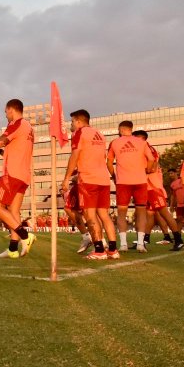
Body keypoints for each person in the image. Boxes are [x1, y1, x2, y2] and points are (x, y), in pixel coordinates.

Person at [63, 109, 119, 260]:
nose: (71, 124)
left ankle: (99, 250)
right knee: (104, 215)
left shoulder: (79, 133)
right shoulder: (99, 134)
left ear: (79, 121)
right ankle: (113, 250)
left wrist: (67, 178)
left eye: (72, 121)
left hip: (88, 179)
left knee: (90, 215)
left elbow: (75, 155)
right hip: (103, 179)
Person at [0, 98, 36, 259]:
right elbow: (15, 151)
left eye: (6, 112)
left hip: (12, 175)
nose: (5, 115)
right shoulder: (29, 128)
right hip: (23, 176)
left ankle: (25, 236)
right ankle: (13, 249)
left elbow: (0, 142)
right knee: (14, 211)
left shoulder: (17, 123)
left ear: (11, 110)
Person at [133, 130, 184, 251]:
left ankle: (178, 240)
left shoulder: (149, 149)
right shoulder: (141, 150)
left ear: (141, 138)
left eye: (135, 138)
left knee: (164, 214)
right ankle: (143, 240)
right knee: (148, 215)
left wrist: (135, 171)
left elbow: (152, 168)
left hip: (153, 188)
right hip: (145, 187)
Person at [106, 121, 152, 253]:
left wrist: (114, 176)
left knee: (121, 213)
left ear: (121, 129)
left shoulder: (115, 142)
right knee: (141, 212)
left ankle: (123, 244)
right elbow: (151, 159)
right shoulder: (142, 142)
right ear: (131, 129)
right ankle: (140, 244)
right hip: (140, 181)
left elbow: (109, 162)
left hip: (123, 182)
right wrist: (147, 171)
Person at [63, 173, 92, 253]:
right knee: (94, 212)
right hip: (89, 183)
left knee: (88, 212)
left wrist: (67, 179)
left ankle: (94, 241)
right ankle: (101, 244)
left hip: (84, 184)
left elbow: (78, 176)